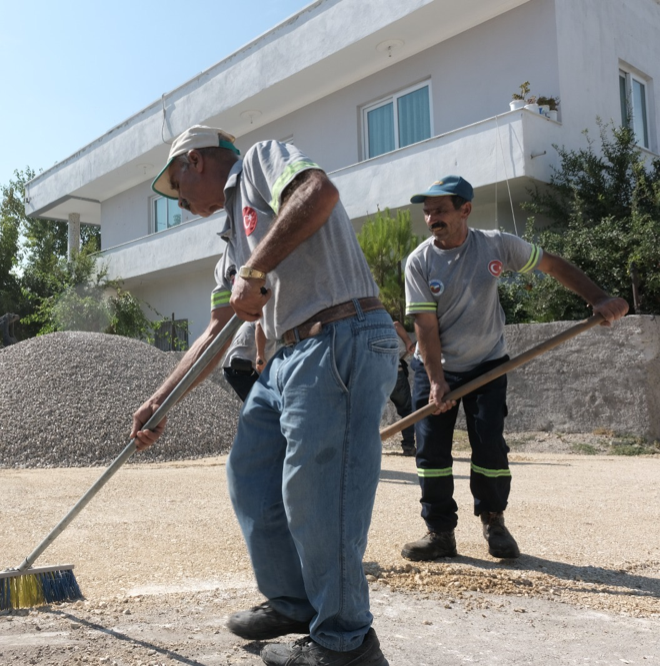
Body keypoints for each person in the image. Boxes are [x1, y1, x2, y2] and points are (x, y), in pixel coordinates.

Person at [131, 125, 397, 666]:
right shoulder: (231, 240)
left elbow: (317, 192)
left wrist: (255, 268)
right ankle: (295, 603)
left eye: (175, 182)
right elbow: (215, 330)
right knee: (250, 476)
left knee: (319, 495)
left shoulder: (258, 162)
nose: (177, 200)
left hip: (338, 335)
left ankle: (345, 642)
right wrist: (163, 399)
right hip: (286, 354)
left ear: (197, 161)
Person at [401, 175, 628, 562]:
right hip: (435, 367)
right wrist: (437, 380)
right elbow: (425, 326)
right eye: (427, 211)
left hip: (487, 364)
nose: (431, 218)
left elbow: (552, 265)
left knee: (489, 446)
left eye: (440, 210)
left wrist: (599, 298)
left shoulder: (496, 245)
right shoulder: (419, 262)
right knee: (431, 452)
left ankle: (494, 522)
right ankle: (439, 532)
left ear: (465, 210)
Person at [389, 319, 416, 456]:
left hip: (374, 376)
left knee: (370, 413)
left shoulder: (365, 325)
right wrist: (408, 342)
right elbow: (396, 325)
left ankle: (367, 447)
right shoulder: (384, 321)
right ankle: (409, 446)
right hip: (395, 374)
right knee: (407, 411)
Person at [222, 319, 266, 402]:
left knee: (263, 406)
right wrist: (260, 357)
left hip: (243, 368)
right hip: (241, 369)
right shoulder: (269, 311)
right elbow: (260, 324)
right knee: (264, 406)